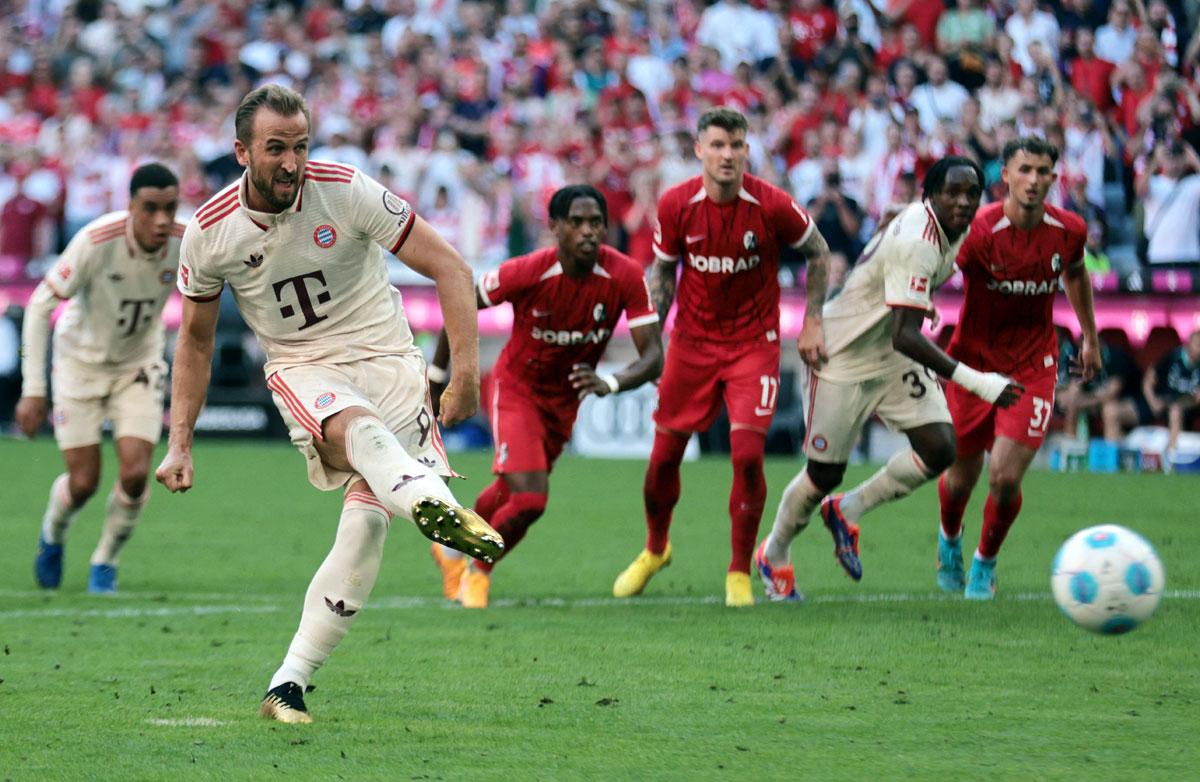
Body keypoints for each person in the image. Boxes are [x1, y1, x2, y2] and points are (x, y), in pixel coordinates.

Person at [155, 84, 503, 725]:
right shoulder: (208, 233)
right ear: (241, 153)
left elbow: (452, 268)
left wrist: (466, 378)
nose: (292, 163)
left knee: (366, 524)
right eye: (276, 149)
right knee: (357, 430)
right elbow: (195, 342)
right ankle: (431, 499)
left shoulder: (345, 188)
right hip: (306, 368)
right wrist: (180, 440)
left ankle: (288, 683)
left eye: (301, 146)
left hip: (394, 363)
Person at [755, 157, 1022, 600]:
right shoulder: (920, 240)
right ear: (930, 197)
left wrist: (911, 298)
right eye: (951, 193)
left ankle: (847, 510)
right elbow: (906, 335)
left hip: (890, 350)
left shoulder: (950, 229)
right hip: (842, 354)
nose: (961, 201)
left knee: (939, 448)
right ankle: (774, 553)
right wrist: (980, 382)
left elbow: (892, 239)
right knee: (824, 472)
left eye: (970, 194)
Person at [610, 107, 832, 608]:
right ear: (699, 150)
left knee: (749, 455)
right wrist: (652, 343)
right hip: (691, 345)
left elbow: (819, 252)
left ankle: (738, 571)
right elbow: (663, 273)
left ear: (746, 150)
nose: (727, 155)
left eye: (735, 145)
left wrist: (814, 320)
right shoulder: (675, 205)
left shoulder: (773, 205)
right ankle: (655, 548)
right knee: (663, 458)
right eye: (717, 145)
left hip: (753, 346)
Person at [428, 185, 664, 608]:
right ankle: (478, 572)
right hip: (518, 389)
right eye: (577, 222)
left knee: (507, 491)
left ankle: (448, 550)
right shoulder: (529, 270)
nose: (588, 231)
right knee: (532, 497)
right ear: (556, 227)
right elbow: (460, 300)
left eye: (596, 223)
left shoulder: (626, 275)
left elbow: (653, 358)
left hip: (564, 402)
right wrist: (441, 372)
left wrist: (610, 383)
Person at [937, 137, 1101, 600]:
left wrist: (1089, 336)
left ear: (1054, 177)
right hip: (972, 365)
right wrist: (920, 301)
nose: (1033, 180)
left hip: (1033, 365)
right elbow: (939, 267)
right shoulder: (978, 229)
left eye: (1043, 171)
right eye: (1024, 170)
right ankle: (948, 539)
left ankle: (984, 564)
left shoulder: (1069, 229)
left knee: (1005, 478)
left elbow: (1075, 272)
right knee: (960, 477)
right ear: (1004, 176)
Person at [16, 164, 184, 594]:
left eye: (170, 208)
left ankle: (104, 561)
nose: (162, 220)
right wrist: (33, 390)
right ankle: (53, 534)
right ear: (130, 207)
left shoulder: (186, 242)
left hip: (138, 367)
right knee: (84, 482)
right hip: (79, 365)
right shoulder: (95, 240)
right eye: (150, 209)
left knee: (135, 473)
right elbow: (38, 306)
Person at [1141, 329, 1200, 461]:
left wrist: (1184, 403)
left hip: (1188, 407)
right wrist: (1153, 402)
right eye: (1198, 345)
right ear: (1188, 344)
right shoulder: (1173, 357)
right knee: (1112, 410)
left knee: (1175, 411)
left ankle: (1172, 459)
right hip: (1161, 403)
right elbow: (1149, 380)